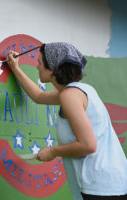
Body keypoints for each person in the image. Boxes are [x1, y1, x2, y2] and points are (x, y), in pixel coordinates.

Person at [7, 42, 127, 200]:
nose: (37, 67)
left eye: (40, 63)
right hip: (113, 185)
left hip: (101, 189)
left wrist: (52, 151)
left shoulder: (69, 95)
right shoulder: (81, 91)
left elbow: (88, 145)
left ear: (53, 68)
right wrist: (15, 68)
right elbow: (39, 96)